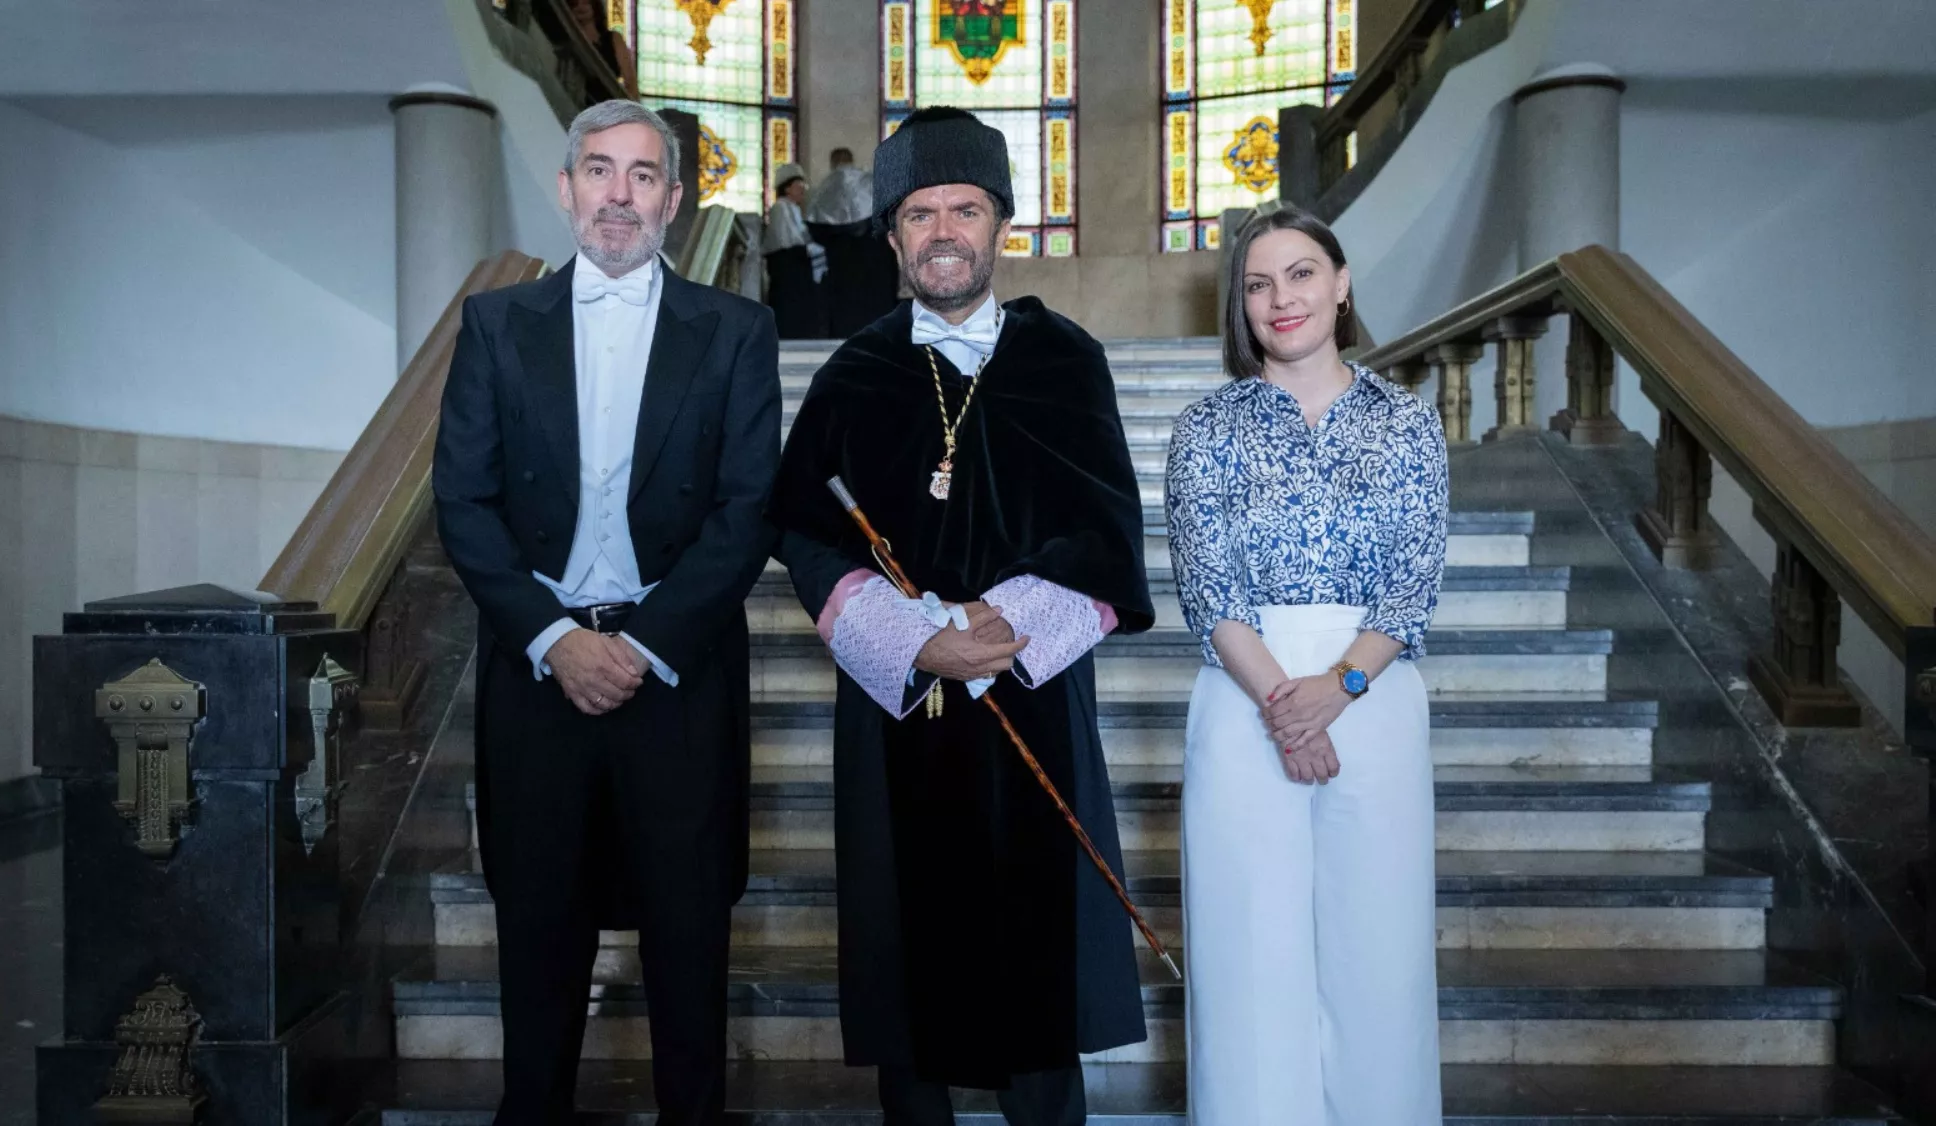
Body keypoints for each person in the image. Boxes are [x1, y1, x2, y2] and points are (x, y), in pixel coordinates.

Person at [768, 107, 1153, 1124]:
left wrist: (994, 629)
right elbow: (806, 534)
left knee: (1039, 969)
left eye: (964, 209)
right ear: (890, 236)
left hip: (1033, 697)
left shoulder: (1063, 359)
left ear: (1000, 224)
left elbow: (1104, 534)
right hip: (899, 710)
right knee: (910, 974)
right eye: (919, 212)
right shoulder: (852, 371)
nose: (942, 230)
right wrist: (915, 641)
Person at [431, 99, 780, 1126]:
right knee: (538, 927)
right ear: (565, 188)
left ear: (673, 201)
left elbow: (745, 506)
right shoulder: (496, 323)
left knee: (686, 931)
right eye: (597, 171)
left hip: (675, 667)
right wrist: (551, 640)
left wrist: (640, 644)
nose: (616, 194)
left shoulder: (736, 331)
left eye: (640, 175)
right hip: (537, 669)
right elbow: (462, 498)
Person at [1165, 205, 1447, 1125]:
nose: (1280, 299)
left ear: (1342, 282)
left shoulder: (1407, 423)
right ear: (1240, 308)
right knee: (1249, 957)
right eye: (1257, 284)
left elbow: (1412, 584)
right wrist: (1286, 704)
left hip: (1373, 697)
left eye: (1299, 274)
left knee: (1380, 955)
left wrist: (1340, 689)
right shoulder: (1205, 428)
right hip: (1244, 699)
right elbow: (1210, 591)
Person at [807, 146, 901, 337]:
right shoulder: (871, 180)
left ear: (833, 162)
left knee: (845, 307)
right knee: (877, 304)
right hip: (875, 254)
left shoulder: (824, 188)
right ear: (852, 159)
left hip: (841, 258)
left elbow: (813, 227)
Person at [764, 161, 828, 339]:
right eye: (799, 187)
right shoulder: (780, 207)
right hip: (786, 264)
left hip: (797, 262)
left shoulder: (794, 209)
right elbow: (785, 240)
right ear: (787, 188)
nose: (803, 191)